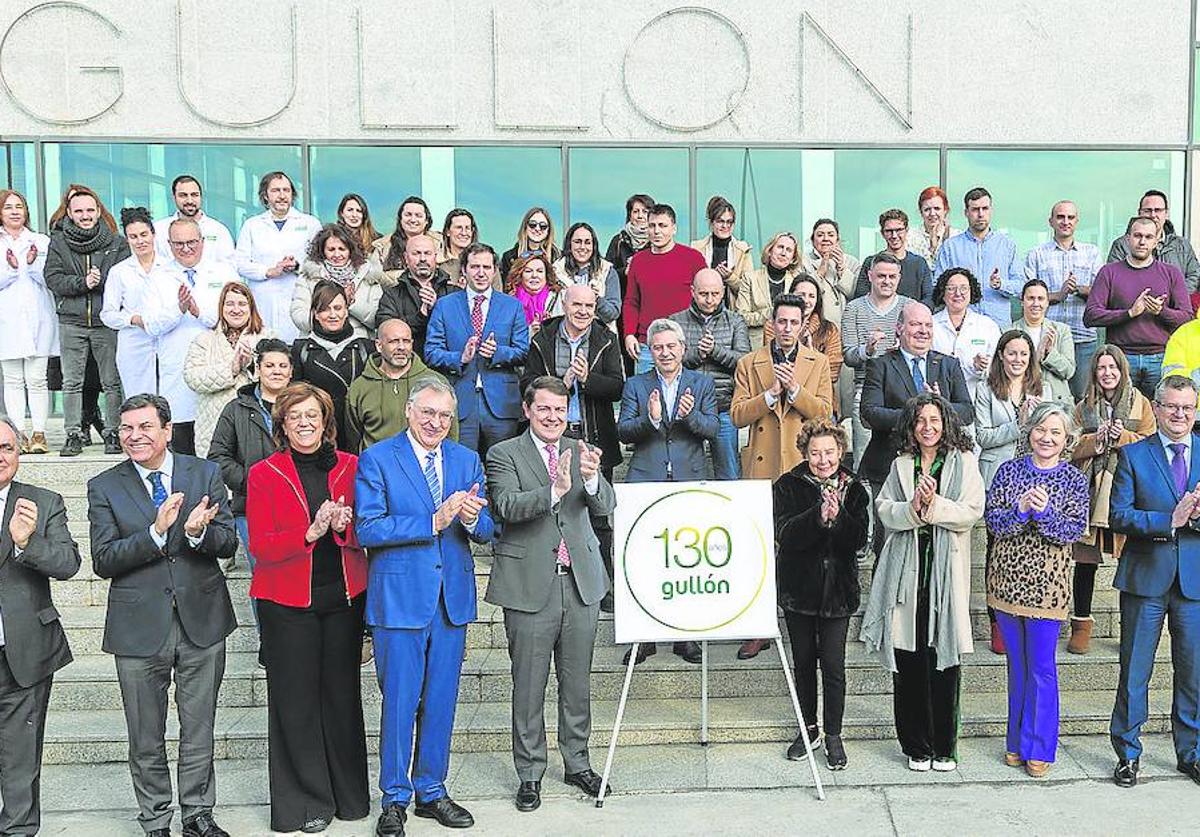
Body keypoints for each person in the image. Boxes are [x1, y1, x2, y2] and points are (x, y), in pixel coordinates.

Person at [87, 394, 238, 837]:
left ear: (168, 430)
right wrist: (155, 533)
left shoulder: (204, 472)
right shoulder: (104, 485)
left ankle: (197, 813)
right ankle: (155, 818)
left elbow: (228, 541)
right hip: (137, 628)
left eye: (145, 426)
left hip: (202, 620)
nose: (135, 436)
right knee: (145, 733)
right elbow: (103, 559)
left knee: (199, 727)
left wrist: (196, 533)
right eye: (127, 428)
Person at [355, 378, 495, 836]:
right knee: (399, 701)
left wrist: (474, 520)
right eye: (428, 413)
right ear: (410, 413)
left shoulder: (465, 459)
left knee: (440, 701)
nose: (436, 423)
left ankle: (431, 790)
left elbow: (487, 527)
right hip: (399, 600)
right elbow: (369, 529)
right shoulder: (378, 458)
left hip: (450, 600)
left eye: (444, 415)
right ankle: (394, 797)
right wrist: (432, 521)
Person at [485, 377, 617, 812]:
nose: (553, 417)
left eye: (560, 410)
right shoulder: (503, 454)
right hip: (529, 585)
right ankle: (529, 773)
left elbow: (606, 509)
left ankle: (578, 762)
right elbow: (505, 507)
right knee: (529, 686)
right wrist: (553, 491)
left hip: (580, 584)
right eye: (544, 409)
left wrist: (594, 481)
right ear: (527, 410)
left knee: (577, 683)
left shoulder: (580, 453)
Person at [245, 382, 370, 834]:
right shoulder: (264, 473)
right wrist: (310, 530)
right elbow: (260, 544)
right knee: (295, 704)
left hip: (344, 599)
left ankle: (350, 796)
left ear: (326, 422)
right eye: (295, 415)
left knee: (341, 698)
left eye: (312, 415)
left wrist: (343, 527)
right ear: (282, 423)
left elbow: (367, 534)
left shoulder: (353, 467)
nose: (304, 423)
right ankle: (307, 802)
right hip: (286, 604)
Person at [860, 393, 983, 772]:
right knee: (909, 660)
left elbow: (972, 511)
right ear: (911, 427)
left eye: (934, 420)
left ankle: (944, 746)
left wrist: (935, 506)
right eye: (920, 421)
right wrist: (913, 508)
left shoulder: (964, 462)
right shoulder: (901, 465)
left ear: (945, 423)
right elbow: (884, 510)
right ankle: (915, 745)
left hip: (946, 573)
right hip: (906, 576)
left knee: (942, 659)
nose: (928, 427)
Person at [985, 402, 1089, 778]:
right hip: (1007, 585)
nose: (1047, 437)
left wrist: (1044, 514)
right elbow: (993, 520)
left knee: (1042, 667)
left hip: (1049, 588)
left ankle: (1040, 744)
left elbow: (1074, 530)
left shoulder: (1074, 479)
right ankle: (1015, 741)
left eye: (1055, 432)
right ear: (1030, 431)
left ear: (1066, 439)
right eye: (1041, 429)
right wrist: (1021, 510)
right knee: (1017, 665)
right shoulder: (1009, 470)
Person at [1108, 374, 1200, 789]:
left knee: (1194, 674)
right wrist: (1170, 521)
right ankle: (1128, 754)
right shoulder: (1133, 455)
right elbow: (1118, 516)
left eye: (1187, 407)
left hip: (1194, 583)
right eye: (1172, 406)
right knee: (1135, 672)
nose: (1179, 414)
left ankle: (1191, 753)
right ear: (1157, 408)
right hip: (1145, 579)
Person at [617, 318, 718, 665]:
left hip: (688, 480)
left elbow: (713, 429)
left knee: (686, 562)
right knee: (644, 560)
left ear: (682, 348)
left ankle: (685, 637)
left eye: (670, 346)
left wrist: (689, 417)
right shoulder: (636, 385)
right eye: (657, 347)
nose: (664, 352)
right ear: (650, 351)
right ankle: (642, 638)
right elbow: (624, 431)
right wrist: (652, 419)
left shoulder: (700, 383)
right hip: (646, 480)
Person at [773, 418, 870, 770]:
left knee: (833, 666)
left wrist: (838, 518)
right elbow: (784, 532)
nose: (823, 460)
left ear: (840, 451)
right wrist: (817, 516)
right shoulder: (787, 485)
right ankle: (807, 728)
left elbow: (860, 540)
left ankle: (833, 734)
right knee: (803, 665)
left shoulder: (855, 487)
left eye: (829, 452)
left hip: (838, 593)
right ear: (805, 453)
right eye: (815, 453)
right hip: (799, 590)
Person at [0, 416, 80, 834]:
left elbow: (68, 564)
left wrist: (27, 542)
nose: (0, 457)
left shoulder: (41, 502)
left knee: (21, 757)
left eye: (8, 448)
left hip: (23, 651)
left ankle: (16, 831)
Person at [522, 284, 624, 611]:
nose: (582, 311)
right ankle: (550, 582)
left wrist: (587, 379)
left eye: (589, 306)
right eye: (576, 304)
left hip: (592, 435)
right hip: (551, 435)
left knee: (599, 516)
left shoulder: (606, 338)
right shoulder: (543, 338)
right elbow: (527, 385)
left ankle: (603, 586)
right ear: (564, 304)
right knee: (552, 509)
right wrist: (560, 387)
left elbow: (617, 387)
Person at [1069, 346, 1156, 654]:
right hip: (1090, 492)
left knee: (1128, 560)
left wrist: (1121, 439)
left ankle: (1128, 628)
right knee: (1085, 560)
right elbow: (1071, 446)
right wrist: (1098, 440)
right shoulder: (1083, 406)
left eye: (1112, 368)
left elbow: (1150, 443)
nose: (1107, 373)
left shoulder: (1140, 403)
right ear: (1094, 372)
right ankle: (1081, 625)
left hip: (1126, 490)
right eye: (1101, 368)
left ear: (1122, 371)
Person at [860, 302, 974, 516]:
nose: (923, 331)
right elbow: (869, 413)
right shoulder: (880, 365)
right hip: (890, 463)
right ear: (899, 328)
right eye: (915, 324)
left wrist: (941, 409)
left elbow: (968, 411)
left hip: (941, 466)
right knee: (887, 540)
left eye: (928, 325)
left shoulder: (948, 364)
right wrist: (916, 414)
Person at [208, 338, 293, 615]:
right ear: (257, 369)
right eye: (269, 365)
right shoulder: (237, 409)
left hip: (298, 503)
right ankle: (268, 645)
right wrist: (251, 482)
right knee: (265, 573)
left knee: (298, 571)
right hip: (251, 507)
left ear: (292, 371)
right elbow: (218, 457)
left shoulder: (305, 405)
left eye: (283, 365)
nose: (276, 371)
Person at [45, 185, 130, 456]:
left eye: (90, 210)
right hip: (72, 321)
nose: (85, 215)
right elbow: (53, 279)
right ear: (69, 213)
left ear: (98, 212)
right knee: (71, 381)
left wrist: (100, 281)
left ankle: (113, 432)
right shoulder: (58, 242)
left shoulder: (116, 242)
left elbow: (125, 278)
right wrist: (82, 283)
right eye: (79, 211)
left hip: (106, 322)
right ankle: (73, 433)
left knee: (111, 381)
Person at [425, 243, 529, 459]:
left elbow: (523, 351)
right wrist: (459, 358)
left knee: (503, 470)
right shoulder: (445, 305)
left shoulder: (512, 306)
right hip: (460, 402)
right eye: (474, 267)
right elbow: (431, 352)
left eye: (486, 267)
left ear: (494, 270)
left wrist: (498, 353)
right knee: (461, 469)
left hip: (501, 404)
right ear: (464, 269)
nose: (481, 273)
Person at [1085, 215, 1192, 399]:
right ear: (1128, 239)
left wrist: (1161, 312)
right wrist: (1129, 313)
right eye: (1137, 236)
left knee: (1160, 415)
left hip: (1161, 357)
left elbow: (1187, 318)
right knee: (1121, 416)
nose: (1142, 242)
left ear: (1157, 240)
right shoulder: (1109, 272)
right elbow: (1090, 316)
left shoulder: (1171, 273)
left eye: (1148, 237)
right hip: (1121, 358)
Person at [155, 217, 235, 456]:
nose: (186, 248)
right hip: (177, 366)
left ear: (202, 241)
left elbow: (237, 314)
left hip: (216, 365)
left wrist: (199, 312)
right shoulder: (159, 276)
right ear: (169, 244)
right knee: (183, 440)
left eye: (192, 242)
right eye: (179, 244)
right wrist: (179, 310)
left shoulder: (224, 272)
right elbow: (151, 324)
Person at [731, 293, 833, 481]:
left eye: (794, 323)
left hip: (802, 459)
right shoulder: (747, 363)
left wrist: (795, 390)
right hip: (763, 459)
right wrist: (769, 395)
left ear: (803, 325)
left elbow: (825, 414)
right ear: (772, 323)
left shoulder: (819, 362)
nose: (787, 329)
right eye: (782, 322)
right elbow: (737, 416)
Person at [670, 267, 751, 480]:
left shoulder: (736, 321)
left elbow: (744, 362)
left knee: (729, 474)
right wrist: (698, 354)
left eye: (715, 294)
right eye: (703, 294)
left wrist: (715, 351)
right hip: (687, 408)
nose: (709, 299)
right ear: (692, 292)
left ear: (723, 291)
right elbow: (669, 362)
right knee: (685, 474)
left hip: (723, 407)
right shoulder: (676, 321)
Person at [1024, 200, 1105, 398]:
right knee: (1048, 395)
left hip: (1083, 338)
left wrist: (1077, 289)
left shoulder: (1092, 253)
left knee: (1084, 398)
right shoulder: (1036, 254)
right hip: (1049, 338)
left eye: (1070, 217)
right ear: (1050, 221)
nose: (1065, 221)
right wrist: (1059, 295)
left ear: (1077, 221)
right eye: (1060, 217)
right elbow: (1027, 295)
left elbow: (1103, 293)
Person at [184, 282, 273, 459]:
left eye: (242, 304)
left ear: (251, 307)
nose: (236, 309)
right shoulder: (204, 340)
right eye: (230, 304)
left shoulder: (268, 337)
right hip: (214, 424)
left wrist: (251, 365)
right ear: (221, 308)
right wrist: (231, 369)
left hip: (256, 424)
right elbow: (192, 377)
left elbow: (279, 374)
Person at [840, 253, 913, 467]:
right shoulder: (853, 308)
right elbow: (849, 355)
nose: (886, 281)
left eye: (892, 276)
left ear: (899, 277)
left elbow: (922, 349)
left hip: (904, 390)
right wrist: (869, 350)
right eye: (881, 276)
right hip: (866, 389)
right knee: (864, 459)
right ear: (870, 276)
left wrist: (901, 352)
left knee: (906, 457)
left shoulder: (909, 308)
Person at [344, 317, 458, 453]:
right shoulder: (359, 388)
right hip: (378, 469)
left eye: (406, 341)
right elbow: (353, 441)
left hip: (424, 467)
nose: (401, 347)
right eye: (393, 341)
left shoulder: (436, 382)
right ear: (379, 346)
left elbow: (450, 432)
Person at [0, 189, 56, 453]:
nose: (14, 211)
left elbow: (51, 279)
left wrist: (32, 265)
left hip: (38, 318)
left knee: (37, 378)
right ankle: (17, 433)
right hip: (6, 319)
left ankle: (39, 433)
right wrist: (10, 269)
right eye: (8, 207)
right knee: (12, 379)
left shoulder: (40, 241)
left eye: (19, 207)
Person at [234, 171, 320, 343]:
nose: (282, 196)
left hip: (299, 300)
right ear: (265, 196)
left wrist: (297, 267)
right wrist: (268, 271)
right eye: (275, 191)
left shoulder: (310, 223)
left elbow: (320, 264)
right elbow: (240, 263)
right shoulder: (252, 225)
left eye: (286, 190)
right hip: (263, 304)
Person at [289, 281, 375, 452]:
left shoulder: (366, 348)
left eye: (338, 308)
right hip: (319, 438)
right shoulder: (301, 350)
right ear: (315, 314)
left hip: (359, 437)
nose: (333, 314)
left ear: (346, 311)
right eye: (325, 309)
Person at [622, 204, 707, 374]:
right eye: (652, 226)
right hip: (648, 346)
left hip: (686, 344)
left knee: (687, 399)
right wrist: (629, 334)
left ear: (674, 228)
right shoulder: (638, 261)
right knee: (647, 398)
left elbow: (706, 299)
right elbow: (631, 301)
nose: (656, 231)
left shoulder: (693, 259)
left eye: (662, 225)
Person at [102, 207, 165, 408]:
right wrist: (132, 319)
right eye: (133, 236)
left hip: (167, 339)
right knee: (137, 400)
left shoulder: (170, 266)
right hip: (133, 341)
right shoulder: (119, 272)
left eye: (144, 234)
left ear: (153, 234)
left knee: (170, 396)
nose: (140, 241)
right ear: (127, 239)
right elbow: (107, 314)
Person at [933, 187, 1023, 325]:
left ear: (991, 211)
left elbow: (1021, 286)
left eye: (985, 208)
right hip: (962, 324)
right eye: (975, 209)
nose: (981, 214)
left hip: (998, 324)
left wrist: (1001, 284)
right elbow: (937, 286)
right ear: (966, 213)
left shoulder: (1007, 246)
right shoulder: (951, 247)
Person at [976, 330, 1045, 490]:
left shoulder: (1043, 390)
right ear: (1001, 355)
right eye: (1012, 354)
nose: (1018, 360)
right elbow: (983, 437)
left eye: (1023, 354)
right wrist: (1018, 425)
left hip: (1033, 473)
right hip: (996, 473)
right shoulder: (985, 389)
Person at [292, 223, 385, 339]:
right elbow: (299, 317)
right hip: (318, 344)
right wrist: (326, 310)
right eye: (331, 249)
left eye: (342, 249)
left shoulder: (368, 275)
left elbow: (378, 319)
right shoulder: (308, 277)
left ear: (350, 250)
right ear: (322, 251)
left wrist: (351, 303)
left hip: (358, 344)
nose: (337, 254)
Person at [373, 233, 453, 357]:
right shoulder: (392, 295)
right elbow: (386, 331)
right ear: (406, 257)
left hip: (448, 367)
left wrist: (437, 309)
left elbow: (460, 331)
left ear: (435, 257)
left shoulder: (454, 292)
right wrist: (421, 316)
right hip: (406, 367)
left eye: (427, 253)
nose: (422, 259)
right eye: (416, 253)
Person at [1107, 189, 1200, 293]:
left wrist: (1173, 297)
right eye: (1147, 210)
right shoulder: (1121, 245)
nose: (1153, 215)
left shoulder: (1182, 245)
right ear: (1139, 213)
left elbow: (1194, 276)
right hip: (1133, 307)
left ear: (1166, 213)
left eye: (1158, 210)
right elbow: (1113, 280)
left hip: (1175, 307)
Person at [931, 268, 1000, 401]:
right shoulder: (930, 324)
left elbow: (998, 367)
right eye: (951, 288)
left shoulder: (987, 326)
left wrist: (980, 367)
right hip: (938, 397)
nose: (958, 293)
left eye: (964, 288)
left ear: (971, 291)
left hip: (976, 399)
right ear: (942, 293)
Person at [854, 210, 933, 307]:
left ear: (906, 230)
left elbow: (929, 298)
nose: (894, 236)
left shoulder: (919, 263)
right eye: (889, 231)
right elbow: (860, 298)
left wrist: (914, 314)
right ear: (882, 233)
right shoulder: (870, 262)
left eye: (899, 230)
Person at [1014, 279, 1075, 405]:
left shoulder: (1061, 330)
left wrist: (1049, 353)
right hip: (1023, 401)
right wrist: (1036, 356)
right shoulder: (1009, 331)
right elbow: (1006, 372)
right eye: (1031, 298)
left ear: (1047, 302)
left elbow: (1069, 371)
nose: (1036, 303)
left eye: (1040, 299)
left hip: (1057, 404)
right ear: (1022, 302)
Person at [737, 231, 803, 347]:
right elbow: (741, 317)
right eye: (780, 247)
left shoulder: (797, 281)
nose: (783, 253)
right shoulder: (750, 278)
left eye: (788, 250)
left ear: (793, 258)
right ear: (770, 250)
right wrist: (771, 313)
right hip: (756, 345)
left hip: (788, 344)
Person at [153, 175, 235, 265]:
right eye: (183, 195)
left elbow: (230, 267)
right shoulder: (159, 230)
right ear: (174, 197)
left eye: (194, 195)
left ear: (201, 196)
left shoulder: (218, 230)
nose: (190, 201)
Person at [553, 221, 621, 326]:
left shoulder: (607, 271)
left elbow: (613, 313)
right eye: (577, 242)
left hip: (599, 338)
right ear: (569, 244)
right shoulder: (556, 271)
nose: (583, 247)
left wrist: (596, 299)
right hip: (562, 337)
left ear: (594, 246)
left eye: (587, 242)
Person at [691, 195, 753, 305]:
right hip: (701, 311)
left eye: (729, 222)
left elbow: (749, 291)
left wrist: (730, 277)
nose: (725, 226)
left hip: (732, 313)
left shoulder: (743, 250)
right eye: (720, 221)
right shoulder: (696, 248)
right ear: (711, 222)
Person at [787, 273, 843, 391]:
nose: (806, 300)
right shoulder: (773, 325)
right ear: (791, 295)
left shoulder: (829, 329)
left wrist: (811, 350)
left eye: (811, 296)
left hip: (819, 395)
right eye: (801, 295)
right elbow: (772, 366)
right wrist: (796, 342)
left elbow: (833, 373)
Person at [372, 196, 438, 287]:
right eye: (408, 215)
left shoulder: (440, 243)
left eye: (418, 215)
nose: (413, 220)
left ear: (426, 220)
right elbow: (374, 276)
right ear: (400, 219)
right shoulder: (382, 246)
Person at [802, 219, 859, 321]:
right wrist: (821, 269)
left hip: (845, 324)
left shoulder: (852, 262)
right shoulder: (803, 261)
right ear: (812, 240)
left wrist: (842, 268)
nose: (825, 239)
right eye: (820, 235)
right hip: (815, 323)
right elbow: (802, 294)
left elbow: (855, 293)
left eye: (831, 235)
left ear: (837, 240)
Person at [605, 192, 654, 302]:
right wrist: (625, 271)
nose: (640, 216)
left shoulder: (657, 241)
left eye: (645, 212)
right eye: (635, 211)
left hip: (651, 302)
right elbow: (606, 274)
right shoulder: (618, 241)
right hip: (623, 302)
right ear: (629, 215)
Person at [506, 253, 563, 335]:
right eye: (528, 271)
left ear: (546, 275)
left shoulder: (559, 298)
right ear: (520, 275)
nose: (534, 275)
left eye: (540, 271)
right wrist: (530, 331)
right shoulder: (510, 302)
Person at [906, 186, 958, 272]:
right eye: (927, 209)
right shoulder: (910, 237)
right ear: (921, 212)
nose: (932, 213)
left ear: (946, 210)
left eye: (937, 208)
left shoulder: (956, 236)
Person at [500, 206, 561, 280]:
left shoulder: (558, 257)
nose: (537, 229)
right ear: (525, 227)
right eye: (532, 225)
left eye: (543, 226)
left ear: (549, 230)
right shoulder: (510, 257)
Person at [438, 208, 477, 288]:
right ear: (447, 232)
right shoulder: (437, 264)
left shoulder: (486, 261)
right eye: (459, 227)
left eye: (467, 228)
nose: (463, 233)